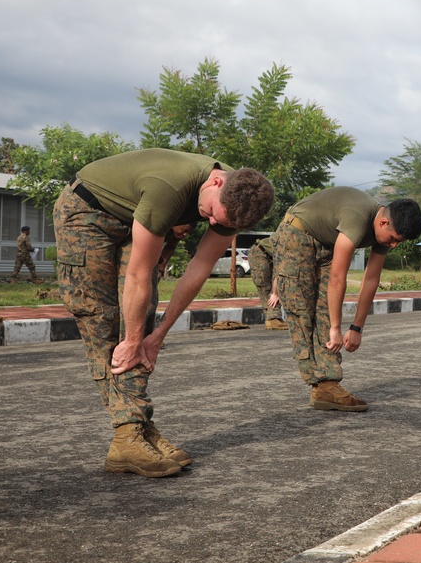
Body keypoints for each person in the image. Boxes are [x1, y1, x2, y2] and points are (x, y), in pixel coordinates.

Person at [54, 148, 275, 477]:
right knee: (102, 317)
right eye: (213, 214)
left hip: (133, 216)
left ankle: (136, 428)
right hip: (86, 212)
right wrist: (131, 339)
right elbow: (138, 275)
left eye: (220, 224)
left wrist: (158, 335)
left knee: (142, 319)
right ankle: (128, 432)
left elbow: (198, 269)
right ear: (216, 182)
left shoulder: (236, 199)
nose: (211, 223)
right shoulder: (168, 189)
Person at [274, 188, 421, 412]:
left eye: (398, 242)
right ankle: (319, 382)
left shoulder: (383, 231)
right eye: (393, 239)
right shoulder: (358, 218)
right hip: (296, 234)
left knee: (325, 310)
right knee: (302, 311)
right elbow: (337, 277)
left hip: (325, 241)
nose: (393, 245)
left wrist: (356, 328)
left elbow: (371, 279)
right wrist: (336, 328)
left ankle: (328, 385)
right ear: (383, 223)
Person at [248, 234, 287, 330]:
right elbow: (279, 274)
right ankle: (273, 319)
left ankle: (274, 317)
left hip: (270, 255)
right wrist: (275, 293)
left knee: (279, 285)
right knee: (264, 286)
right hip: (259, 252)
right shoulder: (291, 248)